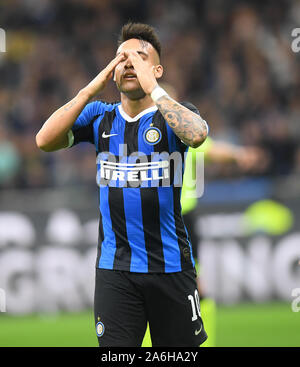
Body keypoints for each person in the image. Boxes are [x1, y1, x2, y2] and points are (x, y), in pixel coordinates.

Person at [36, 22, 209, 347]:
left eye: (140, 57)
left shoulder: (175, 115)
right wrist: (89, 90)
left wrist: (154, 89)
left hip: (171, 266)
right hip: (115, 271)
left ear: (156, 69)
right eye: (122, 58)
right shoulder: (100, 116)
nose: (129, 63)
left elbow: (197, 134)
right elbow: (44, 140)